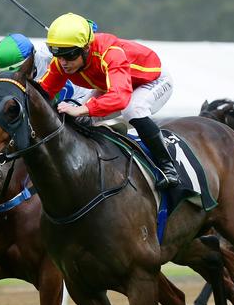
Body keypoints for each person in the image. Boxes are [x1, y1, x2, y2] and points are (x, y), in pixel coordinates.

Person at [38, 12, 179, 189]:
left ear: (86, 48)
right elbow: (42, 92)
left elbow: (120, 98)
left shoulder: (111, 53)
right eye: (57, 54)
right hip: (112, 84)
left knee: (133, 109)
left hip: (152, 80)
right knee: (81, 120)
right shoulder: (61, 63)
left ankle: (168, 167)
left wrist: (84, 108)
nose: (64, 62)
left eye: (70, 55)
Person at [0, 32, 92, 103]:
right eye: (12, 74)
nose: (19, 76)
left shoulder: (48, 55)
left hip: (82, 100)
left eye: (22, 69)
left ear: (33, 57)